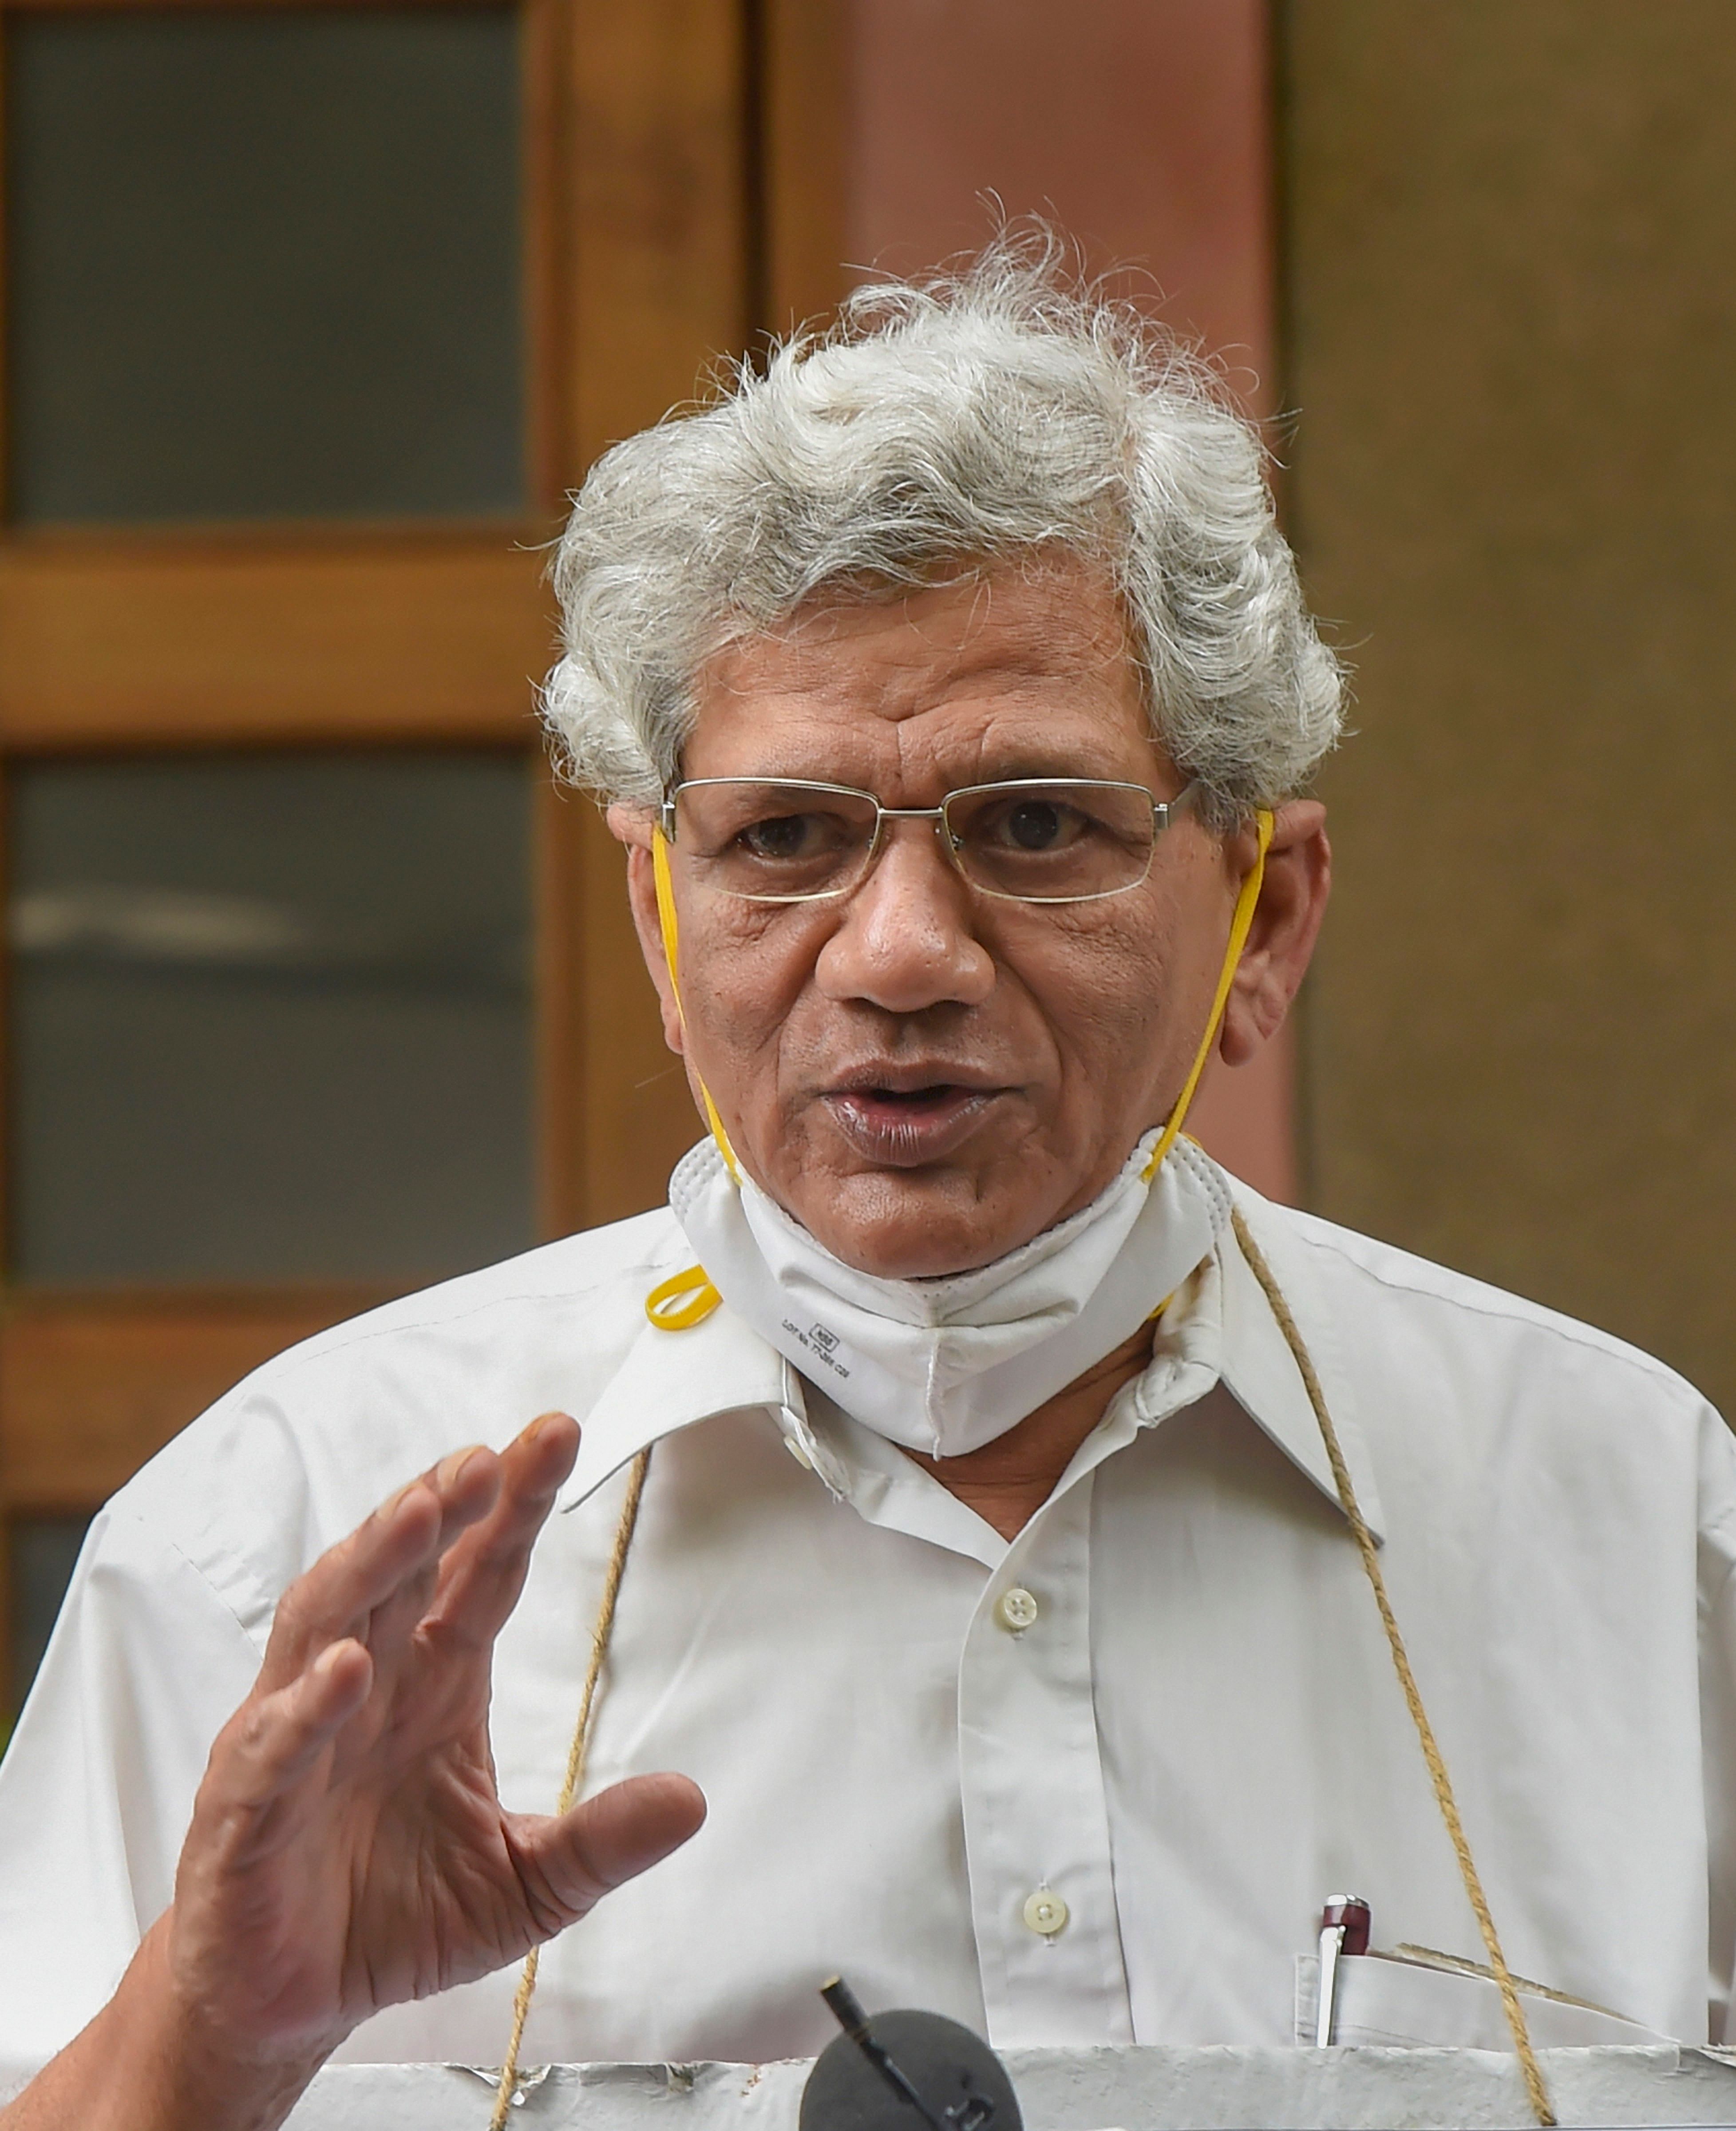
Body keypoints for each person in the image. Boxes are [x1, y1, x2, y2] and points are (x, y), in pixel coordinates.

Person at [3, 238, 1734, 2131]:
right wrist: (211, 2043)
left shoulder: (1635, 1537)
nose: (899, 951)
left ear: (1268, 916)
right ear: (660, 925)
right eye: (790, 837)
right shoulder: (288, 1557)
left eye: (1036, 826)